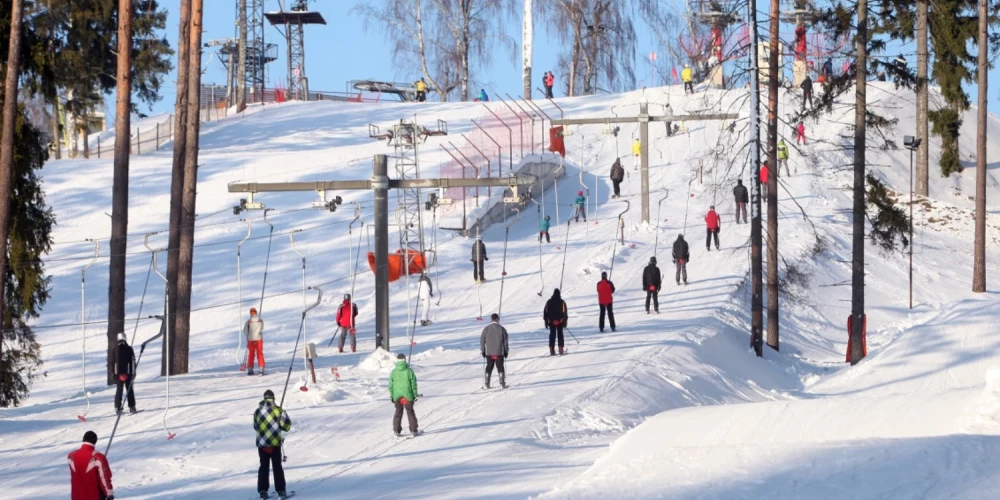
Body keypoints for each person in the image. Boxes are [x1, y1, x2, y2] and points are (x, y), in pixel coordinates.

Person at [254, 389, 291, 500]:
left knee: (263, 466)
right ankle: (280, 490)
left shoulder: (257, 411)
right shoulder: (278, 411)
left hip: (262, 444)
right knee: (277, 467)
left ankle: (263, 491)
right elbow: (287, 426)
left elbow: (255, 426)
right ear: (273, 398)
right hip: (275, 443)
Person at [68, 431, 114, 500]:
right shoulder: (98, 458)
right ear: (95, 441)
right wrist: (109, 494)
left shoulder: (71, 456)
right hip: (94, 496)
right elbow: (104, 477)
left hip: (76, 496)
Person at [389, 353, 419, 437]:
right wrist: (415, 395)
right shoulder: (409, 371)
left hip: (397, 396)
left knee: (398, 412)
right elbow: (413, 384)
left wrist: (392, 395)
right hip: (408, 395)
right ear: (405, 360)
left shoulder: (394, 372)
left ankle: (396, 430)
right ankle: (413, 430)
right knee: (410, 412)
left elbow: (390, 386)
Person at [480, 313, 509, 389]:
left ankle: (487, 382)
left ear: (491, 319)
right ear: (497, 319)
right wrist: (506, 351)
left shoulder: (486, 329)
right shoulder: (502, 329)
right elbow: (505, 342)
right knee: (500, 367)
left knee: (489, 367)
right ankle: (502, 382)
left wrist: (483, 350)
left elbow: (482, 340)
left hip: (489, 353)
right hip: (499, 352)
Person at [113, 332, 136, 415]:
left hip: (118, 374)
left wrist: (113, 373)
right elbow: (132, 361)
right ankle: (132, 406)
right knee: (129, 390)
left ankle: (117, 406)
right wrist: (133, 372)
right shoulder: (129, 348)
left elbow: (112, 363)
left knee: (119, 390)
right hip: (128, 373)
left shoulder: (115, 349)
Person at [543, 289, 568, 355]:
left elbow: (545, 312)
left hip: (551, 321)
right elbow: (565, 313)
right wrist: (565, 322)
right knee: (560, 334)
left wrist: (546, 321)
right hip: (560, 321)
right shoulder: (562, 302)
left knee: (552, 335)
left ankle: (551, 348)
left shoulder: (548, 302)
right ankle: (560, 347)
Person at [244, 307, 265, 376]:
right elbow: (262, 328)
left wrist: (248, 334)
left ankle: (250, 369)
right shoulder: (260, 321)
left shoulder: (248, 322)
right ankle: (261, 368)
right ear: (256, 313)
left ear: (250, 314)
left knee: (251, 354)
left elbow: (245, 331)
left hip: (250, 340)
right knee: (260, 354)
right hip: (259, 339)